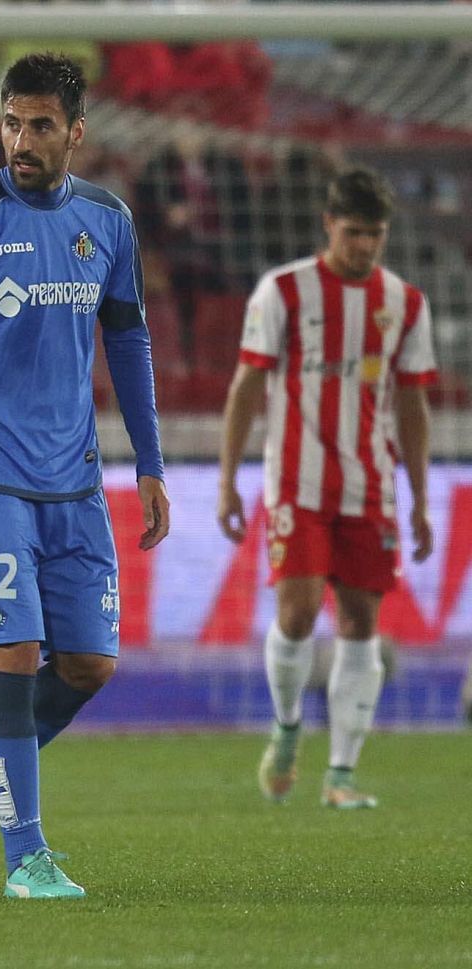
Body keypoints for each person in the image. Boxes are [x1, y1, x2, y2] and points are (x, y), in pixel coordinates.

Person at [0, 53, 169, 899]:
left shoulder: (107, 220)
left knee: (89, 665)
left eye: (41, 125)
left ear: (75, 133)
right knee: (13, 653)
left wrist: (151, 462)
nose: (21, 139)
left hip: (76, 482)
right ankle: (27, 857)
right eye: (12, 122)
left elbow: (127, 339)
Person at [217, 167, 435, 810]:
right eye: (354, 232)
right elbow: (246, 389)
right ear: (328, 225)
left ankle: (340, 775)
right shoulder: (283, 292)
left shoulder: (405, 303)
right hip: (296, 483)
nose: (365, 246)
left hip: (369, 487)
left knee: (364, 623)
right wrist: (229, 482)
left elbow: (415, 407)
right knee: (299, 612)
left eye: (376, 234)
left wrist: (420, 498)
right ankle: (286, 729)